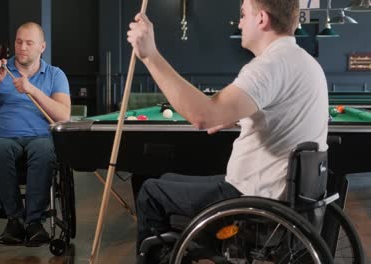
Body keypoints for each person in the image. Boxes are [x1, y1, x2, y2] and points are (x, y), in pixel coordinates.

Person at [127, 0, 328, 252]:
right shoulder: (306, 63)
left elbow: (201, 116)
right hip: (290, 201)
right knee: (166, 179)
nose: (240, 22)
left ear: (262, 19)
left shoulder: (268, 67)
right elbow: (280, 111)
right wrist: (238, 115)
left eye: (243, 14)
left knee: (151, 192)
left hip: (251, 201)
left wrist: (150, 55)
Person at [0, 22, 71, 246]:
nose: (22, 47)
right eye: (18, 41)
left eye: (29, 43)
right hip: (4, 139)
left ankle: (34, 221)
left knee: (45, 149)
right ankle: (14, 219)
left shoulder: (55, 75)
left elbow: (63, 116)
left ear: (42, 47)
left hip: (40, 138)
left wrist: (31, 89)